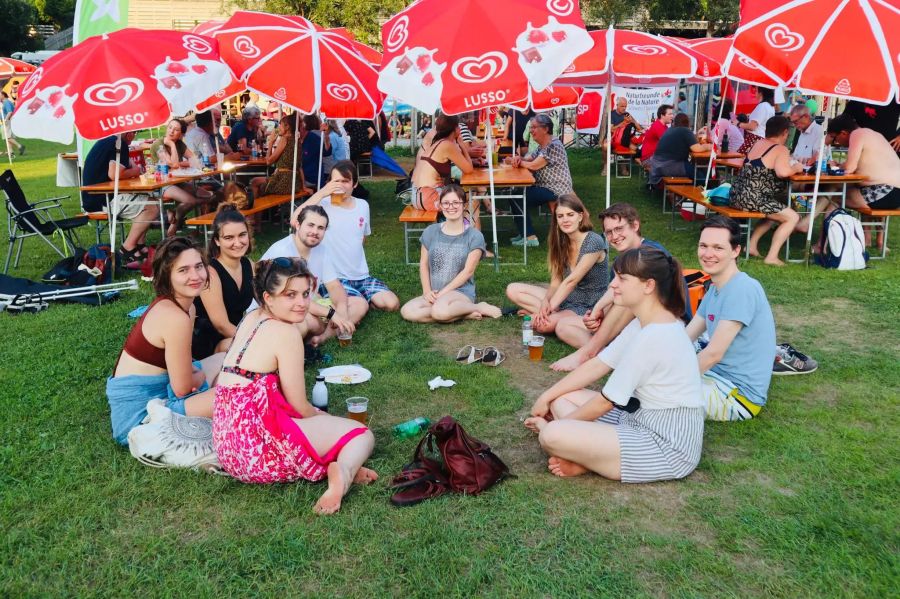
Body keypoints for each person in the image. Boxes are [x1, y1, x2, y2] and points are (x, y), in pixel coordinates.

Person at [212, 257, 377, 515]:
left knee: (326, 429)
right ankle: (343, 473)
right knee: (360, 434)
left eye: (304, 294)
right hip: (258, 450)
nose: (301, 303)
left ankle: (339, 462)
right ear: (268, 297)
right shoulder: (286, 334)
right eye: (290, 295)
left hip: (229, 446)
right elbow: (300, 406)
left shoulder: (250, 318)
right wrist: (325, 420)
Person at [523, 248, 704, 483]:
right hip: (635, 418)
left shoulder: (656, 335)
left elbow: (605, 402)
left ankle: (583, 456)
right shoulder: (645, 322)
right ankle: (586, 456)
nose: (613, 286)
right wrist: (547, 396)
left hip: (665, 445)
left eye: (622, 279)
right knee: (562, 398)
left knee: (553, 435)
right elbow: (599, 363)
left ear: (648, 286)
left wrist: (555, 425)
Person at [106, 237, 221, 445]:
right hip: (141, 416)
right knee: (238, 395)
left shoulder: (186, 307)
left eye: (198, 266)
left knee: (224, 359)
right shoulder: (175, 317)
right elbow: (182, 389)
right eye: (183, 270)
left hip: (164, 388)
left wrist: (193, 374)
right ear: (167, 275)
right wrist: (199, 374)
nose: (195, 276)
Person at [549, 203, 671, 372]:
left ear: (635, 225)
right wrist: (597, 313)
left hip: (662, 327)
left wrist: (600, 310)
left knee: (630, 296)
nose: (614, 236)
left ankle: (589, 352)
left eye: (619, 229)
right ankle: (609, 354)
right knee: (563, 326)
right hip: (632, 327)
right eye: (609, 232)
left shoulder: (651, 253)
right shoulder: (623, 260)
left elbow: (632, 300)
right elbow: (613, 292)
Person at [686, 216, 776, 420]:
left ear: (736, 251)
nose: (708, 254)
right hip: (715, 377)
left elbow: (713, 354)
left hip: (738, 396)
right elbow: (686, 336)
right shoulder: (716, 288)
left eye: (718, 248)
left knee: (653, 395)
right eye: (703, 246)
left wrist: (669, 378)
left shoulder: (742, 289)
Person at [294, 160, 400, 312]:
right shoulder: (322, 204)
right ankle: (354, 300)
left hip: (361, 276)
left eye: (345, 181)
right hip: (334, 278)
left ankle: (359, 297)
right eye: (336, 181)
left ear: (355, 184)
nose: (340, 185)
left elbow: (362, 238)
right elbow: (294, 219)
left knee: (391, 304)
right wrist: (323, 192)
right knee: (353, 307)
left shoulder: (363, 205)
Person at [506, 194, 608, 347]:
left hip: (587, 304)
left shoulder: (593, 241)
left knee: (540, 325)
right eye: (560, 216)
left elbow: (571, 281)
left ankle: (555, 318)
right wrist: (545, 302)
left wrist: (546, 310)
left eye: (570, 215)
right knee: (512, 289)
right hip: (565, 298)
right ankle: (552, 315)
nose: (565, 220)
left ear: (580, 216)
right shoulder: (561, 241)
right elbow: (556, 282)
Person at [258, 204, 361, 344]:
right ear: (298, 225)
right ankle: (320, 332)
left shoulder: (321, 250)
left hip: (309, 304)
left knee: (359, 303)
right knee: (312, 322)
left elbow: (334, 286)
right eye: (310, 225)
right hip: (277, 309)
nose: (315, 231)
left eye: (320, 228)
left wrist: (342, 311)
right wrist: (331, 313)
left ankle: (321, 338)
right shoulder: (283, 252)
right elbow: (292, 298)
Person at [401, 185, 501, 323]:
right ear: (440, 206)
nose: (451, 207)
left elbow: (468, 271)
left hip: (460, 292)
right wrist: (426, 291)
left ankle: (477, 306)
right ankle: (463, 314)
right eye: (446, 203)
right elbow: (423, 265)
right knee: (407, 311)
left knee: (439, 311)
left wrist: (442, 294)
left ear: (464, 205)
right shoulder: (430, 231)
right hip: (435, 292)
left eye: (456, 203)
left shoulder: (474, 236)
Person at [729, 116, 803, 266]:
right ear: (785, 132)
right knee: (792, 217)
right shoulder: (780, 149)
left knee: (775, 210)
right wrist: (796, 167)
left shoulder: (758, 143)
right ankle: (772, 256)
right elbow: (782, 172)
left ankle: (751, 246)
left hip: (737, 195)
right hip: (754, 198)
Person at [81, 132, 160, 266]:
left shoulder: (110, 141)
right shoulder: (119, 144)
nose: (134, 136)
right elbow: (115, 174)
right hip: (101, 200)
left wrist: (134, 168)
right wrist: (136, 170)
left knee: (147, 199)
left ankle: (140, 245)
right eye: (134, 133)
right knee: (151, 206)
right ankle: (127, 247)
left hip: (93, 197)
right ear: (129, 133)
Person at [193, 205, 255, 359]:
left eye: (242, 235)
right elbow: (221, 325)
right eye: (229, 238)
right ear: (217, 241)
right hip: (210, 342)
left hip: (236, 334)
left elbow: (268, 302)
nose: (238, 242)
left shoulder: (249, 265)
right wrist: (255, 341)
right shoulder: (210, 273)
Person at [508, 113, 575, 247]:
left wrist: (520, 162)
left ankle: (530, 237)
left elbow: (534, 165)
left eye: (534, 127)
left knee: (517, 196)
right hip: (546, 186)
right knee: (515, 193)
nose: (531, 130)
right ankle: (525, 234)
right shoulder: (543, 145)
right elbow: (529, 159)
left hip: (555, 189)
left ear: (545, 129)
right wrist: (518, 159)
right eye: (531, 127)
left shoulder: (553, 145)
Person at [827, 113, 900, 210]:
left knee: (832, 196)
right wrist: (841, 165)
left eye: (835, 139)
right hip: (892, 192)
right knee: (836, 190)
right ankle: (806, 223)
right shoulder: (874, 134)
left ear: (843, 133)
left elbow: (849, 168)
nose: (837, 143)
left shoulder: (857, 134)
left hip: (884, 191)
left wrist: (834, 166)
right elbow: (859, 165)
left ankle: (807, 224)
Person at [151, 118, 211, 236]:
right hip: (163, 184)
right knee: (191, 201)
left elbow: (195, 160)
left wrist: (186, 163)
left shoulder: (180, 144)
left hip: (178, 181)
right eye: (170, 127)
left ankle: (176, 213)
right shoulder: (158, 144)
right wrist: (172, 145)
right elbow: (173, 164)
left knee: (207, 195)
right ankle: (174, 224)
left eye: (176, 129)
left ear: (181, 134)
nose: (171, 131)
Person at [412, 114, 474, 210]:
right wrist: (461, 144)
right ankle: (464, 224)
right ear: (454, 129)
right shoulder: (447, 145)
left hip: (417, 194)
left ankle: (455, 222)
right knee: (472, 201)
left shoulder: (438, 142)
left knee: (463, 195)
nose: (460, 128)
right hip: (428, 197)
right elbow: (469, 169)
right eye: (458, 126)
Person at [648, 113, 711, 186]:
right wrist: (709, 146)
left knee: (694, 171)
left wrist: (696, 134)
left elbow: (688, 142)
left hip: (656, 165)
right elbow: (696, 149)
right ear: (687, 122)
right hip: (668, 165)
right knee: (700, 177)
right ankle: (709, 188)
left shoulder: (671, 130)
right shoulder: (685, 130)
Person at [249, 113, 303, 198]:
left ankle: (257, 210)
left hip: (283, 180)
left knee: (254, 182)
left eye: (280, 125)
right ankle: (265, 209)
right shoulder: (297, 140)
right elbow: (300, 167)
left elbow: (268, 162)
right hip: (295, 182)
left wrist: (271, 142)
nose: (278, 128)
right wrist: (304, 186)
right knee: (261, 183)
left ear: (287, 127)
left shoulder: (285, 139)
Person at [301, 114, 332, 190]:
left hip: (312, 179)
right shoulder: (297, 139)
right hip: (308, 177)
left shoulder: (314, 137)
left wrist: (327, 137)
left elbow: (327, 152)